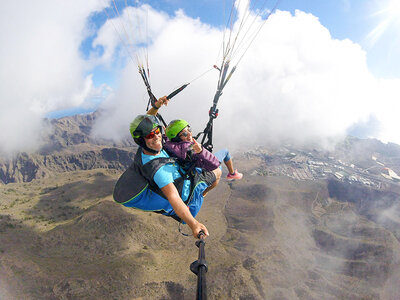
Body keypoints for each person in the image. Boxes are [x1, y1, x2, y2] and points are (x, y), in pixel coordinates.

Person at [124, 96, 221, 238]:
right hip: (188, 200)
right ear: (141, 140)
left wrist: (156, 106)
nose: (157, 136)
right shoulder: (158, 170)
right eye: (151, 135)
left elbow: (147, 119)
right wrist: (194, 225)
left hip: (180, 180)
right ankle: (201, 194)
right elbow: (174, 197)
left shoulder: (149, 148)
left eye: (157, 131)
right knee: (217, 171)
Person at [165, 119, 243, 180]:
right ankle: (232, 174)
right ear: (176, 138)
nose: (190, 135)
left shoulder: (169, 144)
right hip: (200, 169)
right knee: (225, 151)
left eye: (189, 130)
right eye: (185, 134)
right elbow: (215, 164)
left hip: (187, 168)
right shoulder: (189, 150)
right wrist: (201, 151)